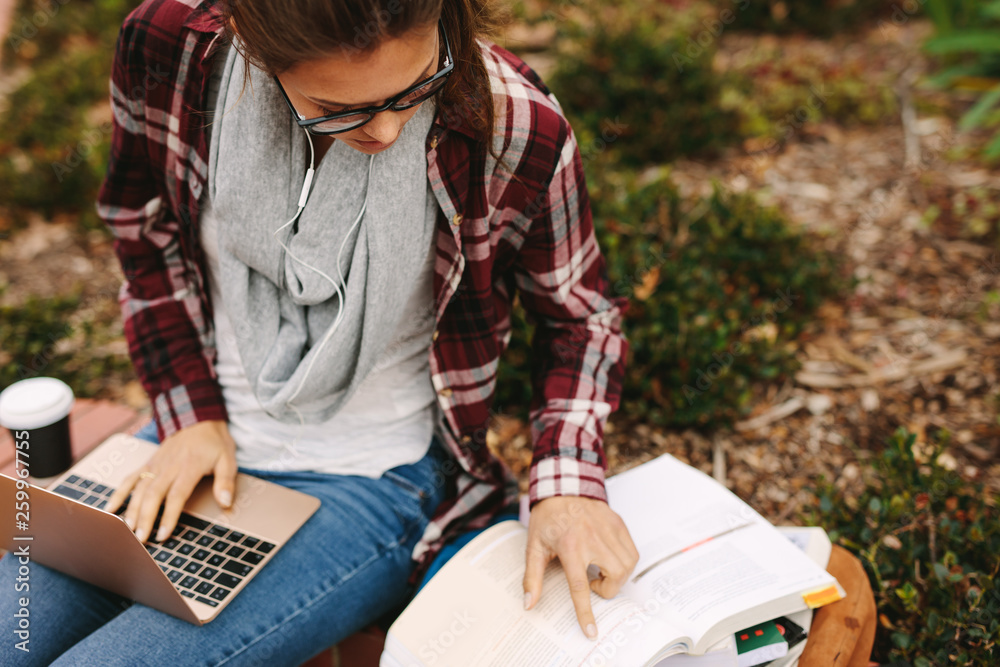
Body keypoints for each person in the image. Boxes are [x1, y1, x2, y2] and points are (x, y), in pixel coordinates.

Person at [0, 0, 635, 663]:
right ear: (251, 42)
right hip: (193, 437)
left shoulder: (513, 124)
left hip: (374, 477)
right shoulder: (171, 48)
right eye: (340, 107)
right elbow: (143, 228)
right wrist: (189, 411)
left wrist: (567, 483)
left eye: (417, 86)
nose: (388, 130)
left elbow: (580, 316)